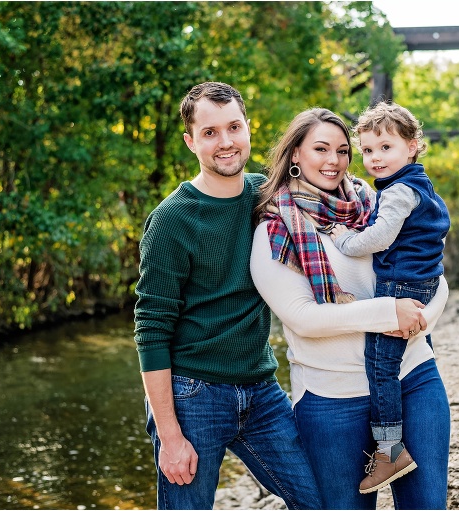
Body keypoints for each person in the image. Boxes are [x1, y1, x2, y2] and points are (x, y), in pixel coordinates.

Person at [133, 82, 322, 510]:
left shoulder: (266, 196)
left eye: (233, 127)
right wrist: (169, 436)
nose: (226, 142)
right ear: (191, 141)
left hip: (260, 388)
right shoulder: (170, 221)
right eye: (210, 132)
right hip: (192, 394)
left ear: (248, 129)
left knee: (319, 498)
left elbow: (333, 198)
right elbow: (150, 331)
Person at [250, 107, 450, 509]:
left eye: (342, 150)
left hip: (412, 378)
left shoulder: (374, 203)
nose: (334, 161)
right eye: (320, 149)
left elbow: (433, 277)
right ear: (294, 155)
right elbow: (303, 319)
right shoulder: (274, 230)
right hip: (332, 402)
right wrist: (387, 312)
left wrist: (420, 320)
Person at [329, 101, 450, 493]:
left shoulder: (399, 192)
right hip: (423, 280)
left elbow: (380, 238)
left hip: (402, 284)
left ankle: (389, 449)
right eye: (366, 150)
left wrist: (345, 241)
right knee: (396, 358)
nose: (374, 158)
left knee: (381, 366)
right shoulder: (421, 184)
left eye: (385, 147)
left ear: (412, 146)